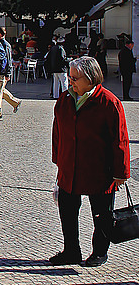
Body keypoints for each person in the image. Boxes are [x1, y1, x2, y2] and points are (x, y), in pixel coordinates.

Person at [51, 56, 130, 267]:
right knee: (67, 210)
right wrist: (58, 160)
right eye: (70, 77)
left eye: (75, 78)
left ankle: (99, 252)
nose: (71, 81)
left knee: (101, 214)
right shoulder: (65, 99)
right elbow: (57, 131)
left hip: (98, 169)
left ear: (90, 78)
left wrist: (121, 172)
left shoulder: (109, 102)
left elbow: (120, 138)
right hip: (70, 166)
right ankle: (71, 251)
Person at [0, 26, 21, 113]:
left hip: (2, 71)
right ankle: (16, 102)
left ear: (0, 35)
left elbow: (9, 59)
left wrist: (8, 73)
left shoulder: (5, 45)